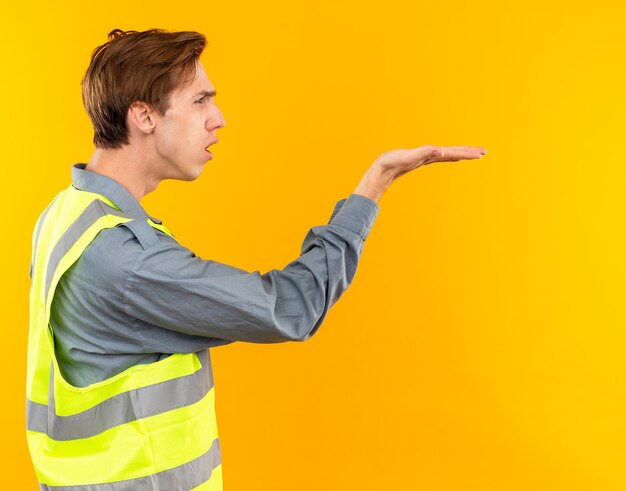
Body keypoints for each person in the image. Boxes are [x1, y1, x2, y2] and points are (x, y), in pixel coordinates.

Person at [26, 28, 487, 491]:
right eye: (200, 101)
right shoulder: (128, 260)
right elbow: (291, 308)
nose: (219, 118)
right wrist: (375, 184)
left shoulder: (67, 212)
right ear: (144, 116)